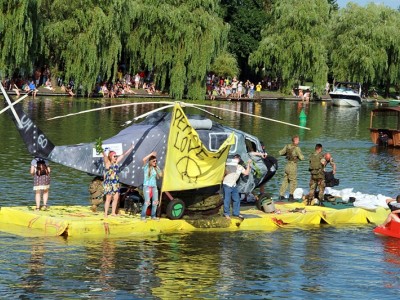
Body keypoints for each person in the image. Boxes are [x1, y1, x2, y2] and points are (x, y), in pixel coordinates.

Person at [102, 143, 135, 218]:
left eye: (116, 156)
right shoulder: (108, 163)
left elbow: (123, 155)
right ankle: (106, 214)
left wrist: (131, 148)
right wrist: (101, 150)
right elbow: (104, 156)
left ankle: (113, 212)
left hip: (115, 183)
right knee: (108, 198)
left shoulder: (116, 163)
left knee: (116, 197)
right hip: (109, 183)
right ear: (110, 157)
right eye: (114, 156)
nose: (116, 157)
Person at [223, 154, 251, 219]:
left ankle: (236, 213)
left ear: (239, 159)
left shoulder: (240, 167)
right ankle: (226, 214)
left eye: (237, 158)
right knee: (227, 200)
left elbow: (246, 173)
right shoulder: (228, 165)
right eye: (235, 158)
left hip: (234, 185)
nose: (236, 159)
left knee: (237, 199)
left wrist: (249, 164)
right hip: (227, 184)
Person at [278, 135, 304, 201]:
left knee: (285, 180)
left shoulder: (287, 146)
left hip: (287, 165)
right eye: (298, 140)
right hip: (293, 165)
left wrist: (287, 154)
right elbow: (302, 158)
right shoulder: (297, 148)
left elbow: (280, 153)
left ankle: (281, 195)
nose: (299, 141)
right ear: (295, 140)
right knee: (293, 181)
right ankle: (291, 196)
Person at [140, 152, 163, 220]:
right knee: (147, 202)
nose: (155, 162)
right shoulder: (146, 167)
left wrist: (158, 168)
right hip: (147, 186)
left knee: (155, 202)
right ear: (150, 161)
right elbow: (143, 159)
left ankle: (153, 216)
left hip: (154, 186)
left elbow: (161, 175)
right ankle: (143, 216)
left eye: (156, 161)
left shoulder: (156, 168)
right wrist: (151, 154)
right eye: (154, 161)